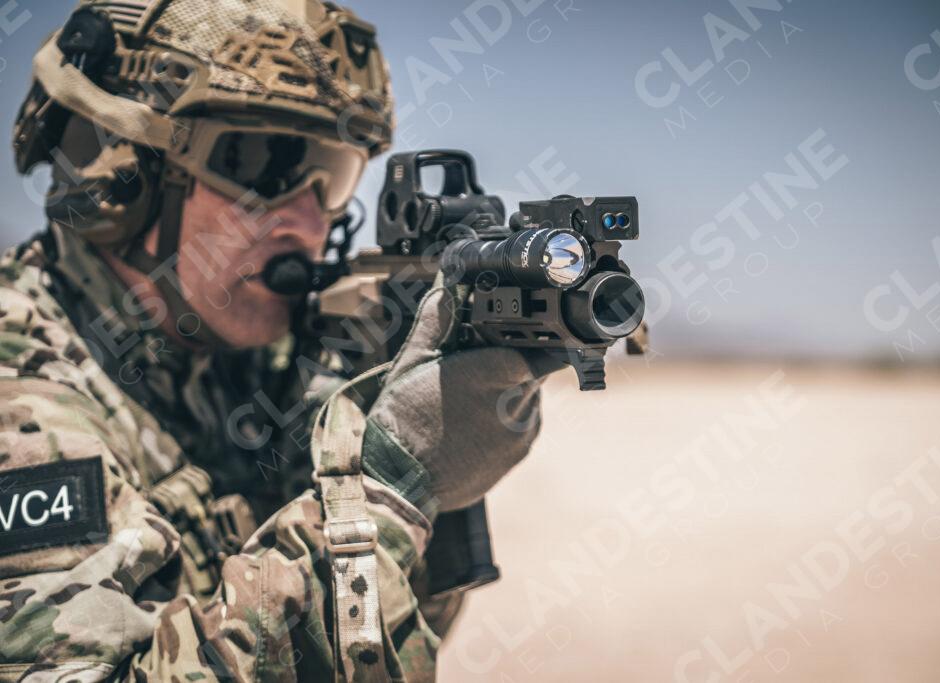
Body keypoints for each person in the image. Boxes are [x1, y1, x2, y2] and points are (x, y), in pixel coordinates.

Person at [0, 1, 564, 680]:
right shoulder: (21, 397)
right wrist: (390, 488)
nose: (307, 219)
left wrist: (392, 425)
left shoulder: (241, 361)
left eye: (334, 174)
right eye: (262, 162)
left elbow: (386, 645)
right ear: (123, 172)